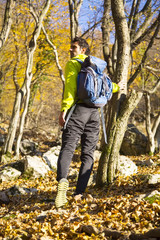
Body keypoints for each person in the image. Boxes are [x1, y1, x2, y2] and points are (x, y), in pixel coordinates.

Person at [55, 37, 120, 208]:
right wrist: (119, 86)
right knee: (88, 154)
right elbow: (108, 86)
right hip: (95, 113)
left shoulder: (74, 64)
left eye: (73, 47)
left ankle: (62, 182)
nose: (70, 50)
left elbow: (70, 89)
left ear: (83, 49)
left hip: (78, 110)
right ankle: (79, 193)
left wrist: (63, 110)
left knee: (68, 147)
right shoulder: (96, 66)